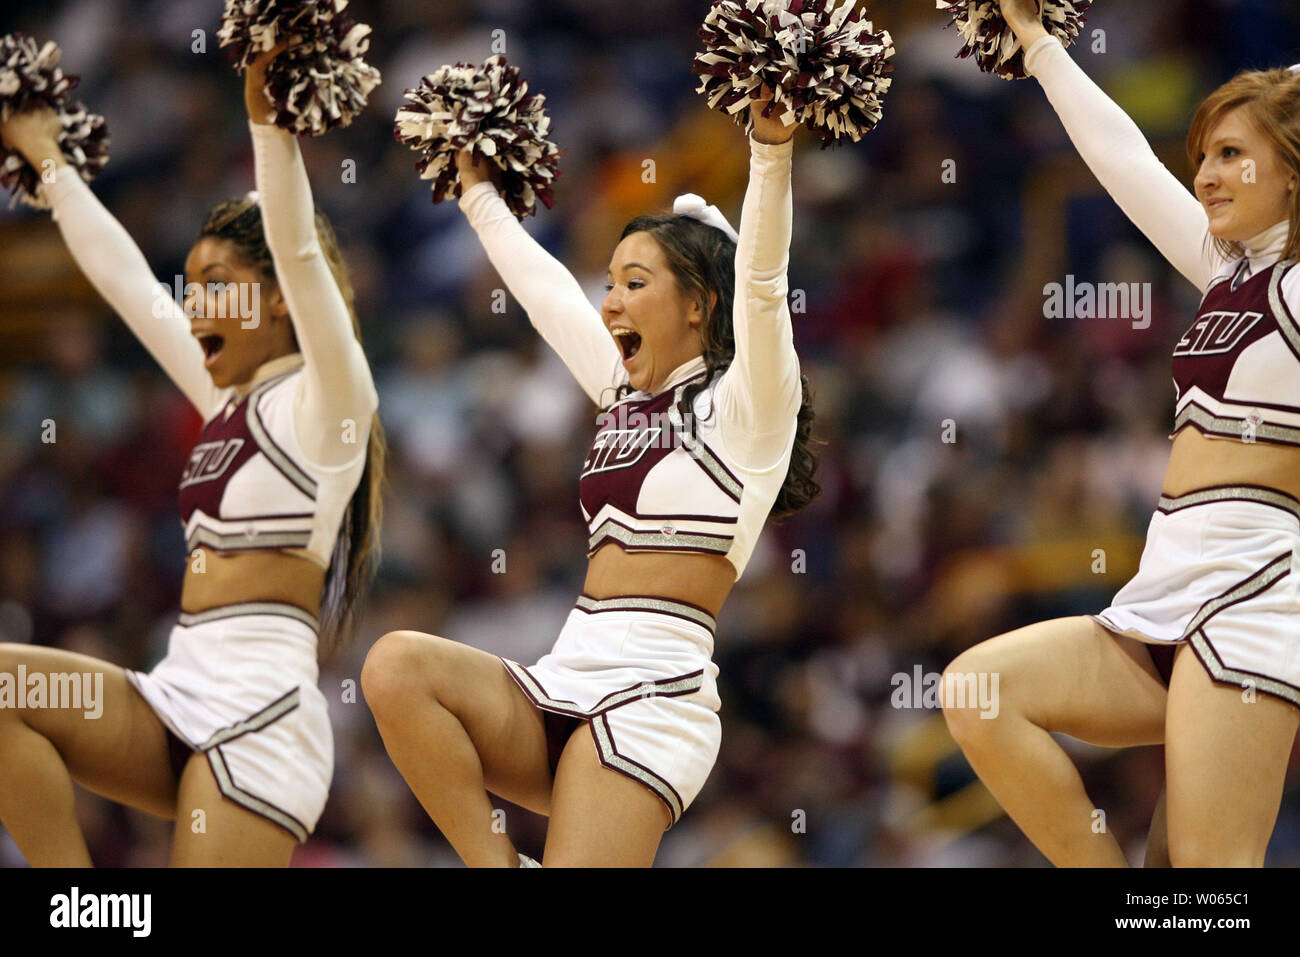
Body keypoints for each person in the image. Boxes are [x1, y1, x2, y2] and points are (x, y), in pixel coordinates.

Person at [361, 94, 819, 867]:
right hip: (563, 675)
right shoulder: (624, 390)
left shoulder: (750, 406)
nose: (609, 303)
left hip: (653, 698)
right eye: (610, 283)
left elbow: (763, 283)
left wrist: (769, 157)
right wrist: (475, 188)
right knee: (396, 666)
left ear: (701, 303)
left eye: (634, 283)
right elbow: (544, 293)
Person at [0, 45, 384, 866]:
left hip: (260, 719)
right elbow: (128, 284)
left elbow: (301, 250)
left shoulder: (331, 406)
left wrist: (265, 122)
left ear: (278, 298)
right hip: (175, 693)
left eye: (215, 285)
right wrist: (46, 160)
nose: (193, 303)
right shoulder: (226, 402)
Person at [941, 0, 1300, 867]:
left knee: (1206, 886)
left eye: (1230, 154)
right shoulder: (1228, 272)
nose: (1206, 175)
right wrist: (1039, 47)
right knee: (978, 692)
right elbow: (1122, 161)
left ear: (1293, 173)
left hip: (1255, 592)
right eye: (1203, 155)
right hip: (1166, 582)